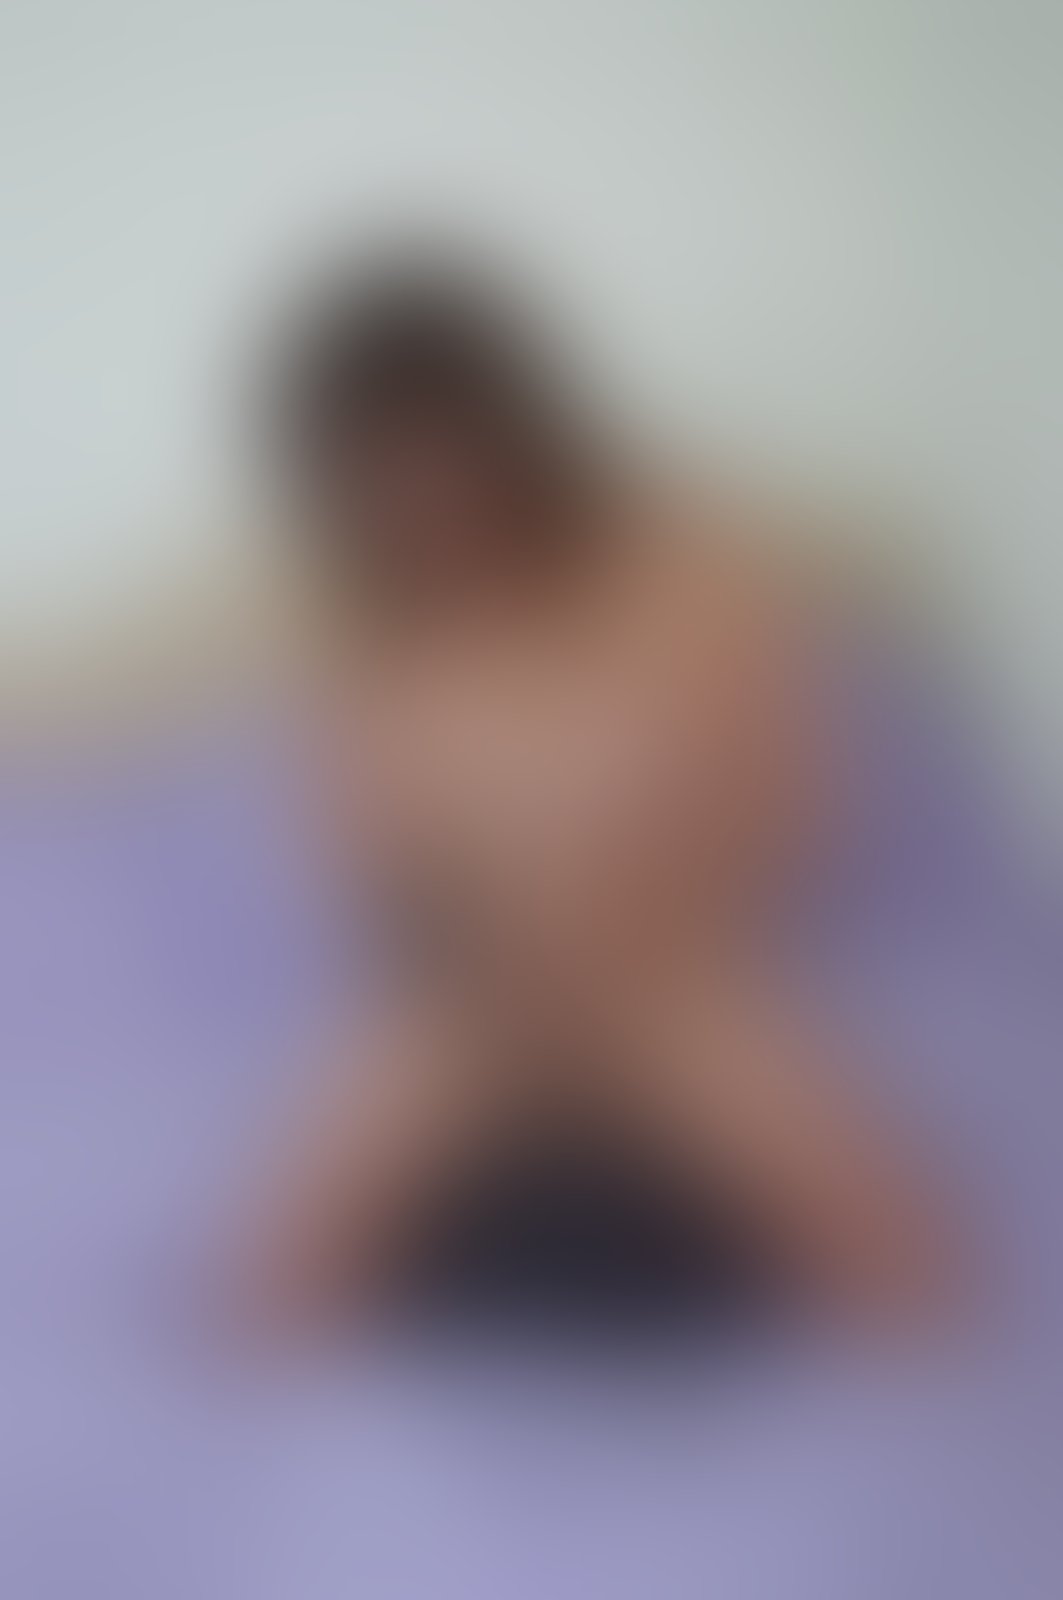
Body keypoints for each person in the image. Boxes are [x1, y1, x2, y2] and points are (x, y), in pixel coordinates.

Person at [243, 258, 954, 1342]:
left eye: (443, 458)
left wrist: (643, 931)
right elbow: (371, 869)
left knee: (879, 1239)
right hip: (481, 998)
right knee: (293, 1241)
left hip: (676, 968)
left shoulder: (686, 583)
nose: (425, 499)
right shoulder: (376, 655)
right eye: (384, 475)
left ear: (510, 436)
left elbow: (791, 801)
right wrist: (498, 963)